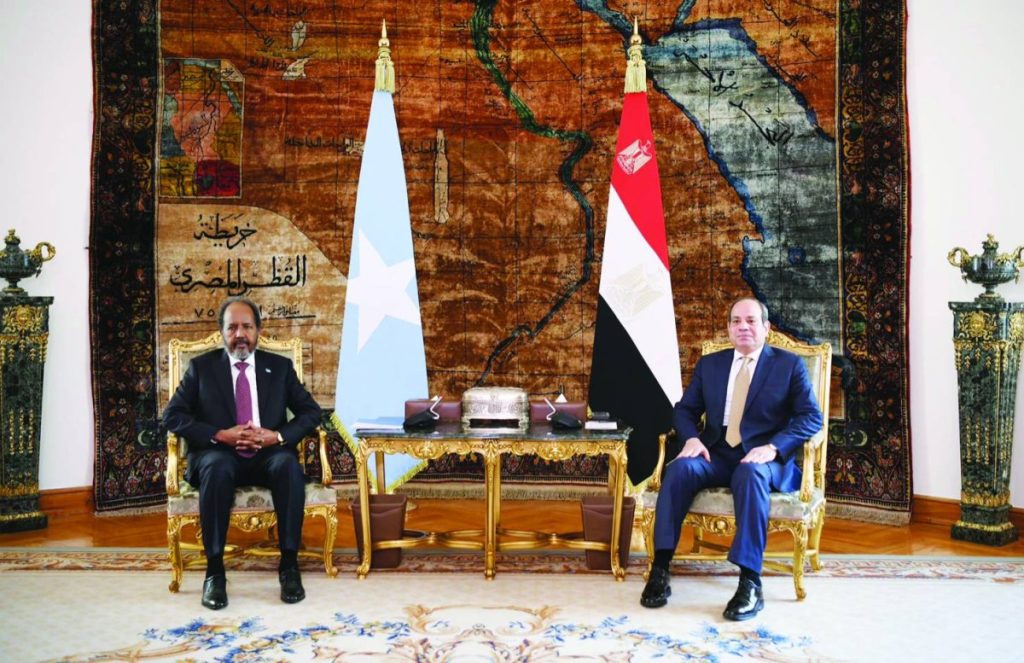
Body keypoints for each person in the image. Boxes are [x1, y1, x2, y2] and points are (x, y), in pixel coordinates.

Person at [641, 298, 823, 619]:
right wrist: (692, 439)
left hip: (763, 456)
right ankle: (660, 567)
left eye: (751, 321)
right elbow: (684, 411)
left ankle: (750, 582)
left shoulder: (788, 365)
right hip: (716, 451)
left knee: (751, 475)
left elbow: (811, 417)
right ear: (728, 328)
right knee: (680, 469)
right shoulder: (711, 364)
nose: (743, 327)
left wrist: (774, 447)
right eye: (736, 321)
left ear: (766, 327)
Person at [164, 296, 321, 610]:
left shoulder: (279, 368)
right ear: (221, 332)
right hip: (218, 453)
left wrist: (276, 436)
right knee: (217, 467)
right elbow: (173, 416)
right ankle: (215, 573)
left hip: (267, 454)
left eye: (247, 327)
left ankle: (289, 566)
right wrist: (220, 434)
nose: (240, 334)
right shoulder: (201, 368)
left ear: (258, 330)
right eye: (232, 327)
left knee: (287, 465)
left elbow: (311, 413)